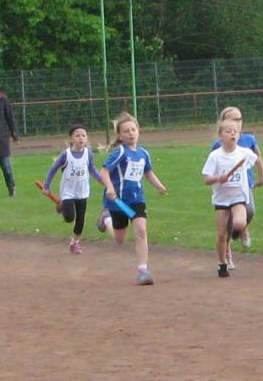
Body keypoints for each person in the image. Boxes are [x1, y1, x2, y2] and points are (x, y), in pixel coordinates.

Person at [97, 112, 168, 285]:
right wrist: (110, 188)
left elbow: (148, 172)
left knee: (141, 231)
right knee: (120, 239)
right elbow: (104, 171)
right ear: (120, 135)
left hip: (137, 199)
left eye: (133, 129)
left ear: (138, 130)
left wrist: (159, 186)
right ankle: (106, 220)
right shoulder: (120, 152)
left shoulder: (143, 153)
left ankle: (143, 270)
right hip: (118, 202)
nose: (131, 133)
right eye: (126, 131)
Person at [202, 118, 263, 278]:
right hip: (221, 199)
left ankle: (238, 231)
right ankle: (222, 263)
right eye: (228, 131)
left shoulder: (243, 153)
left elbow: (257, 160)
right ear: (220, 136)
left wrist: (261, 177)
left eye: (235, 132)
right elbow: (206, 179)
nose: (232, 134)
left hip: (238, 197)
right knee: (222, 234)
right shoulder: (215, 156)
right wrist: (218, 177)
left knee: (239, 222)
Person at [210, 106, 263, 252]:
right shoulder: (218, 144)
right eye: (233, 119)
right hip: (226, 187)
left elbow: (257, 156)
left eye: (239, 119)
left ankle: (242, 229)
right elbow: (214, 164)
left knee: (250, 211)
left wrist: (262, 173)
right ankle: (227, 244)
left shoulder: (249, 139)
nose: (237, 122)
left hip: (245, 182)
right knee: (228, 217)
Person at [42, 124, 104, 254]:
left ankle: (74, 243)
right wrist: (46, 185)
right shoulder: (66, 154)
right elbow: (54, 168)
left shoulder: (88, 153)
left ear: (86, 138)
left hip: (82, 191)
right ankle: (63, 205)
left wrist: (102, 181)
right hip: (68, 191)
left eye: (83, 135)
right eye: (77, 135)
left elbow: (92, 169)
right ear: (71, 139)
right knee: (70, 217)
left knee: (80, 219)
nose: (81, 138)